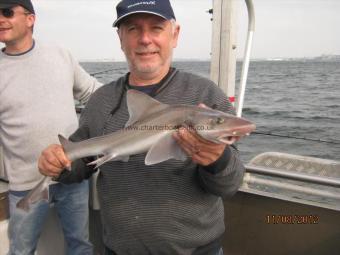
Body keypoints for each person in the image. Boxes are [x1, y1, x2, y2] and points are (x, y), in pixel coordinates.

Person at [38, 0, 245, 254]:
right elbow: (81, 164)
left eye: (156, 28)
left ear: (174, 34)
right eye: (133, 29)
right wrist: (58, 164)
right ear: (121, 38)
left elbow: (230, 184)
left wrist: (217, 160)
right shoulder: (102, 100)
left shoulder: (206, 96)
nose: (145, 39)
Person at [0, 0, 101, 254]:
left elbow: (94, 94)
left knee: (80, 245)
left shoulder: (60, 53)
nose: (0, 19)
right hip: (25, 183)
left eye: (7, 12)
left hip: (73, 175)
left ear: (31, 19)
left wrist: (130, 97)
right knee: (21, 250)